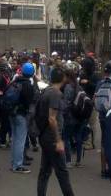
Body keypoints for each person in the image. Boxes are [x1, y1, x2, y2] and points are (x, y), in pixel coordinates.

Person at [35, 67, 74, 196]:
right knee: (62, 173)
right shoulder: (55, 94)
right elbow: (52, 118)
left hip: (45, 136)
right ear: (63, 78)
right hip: (51, 138)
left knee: (45, 171)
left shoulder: (47, 91)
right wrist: (58, 140)